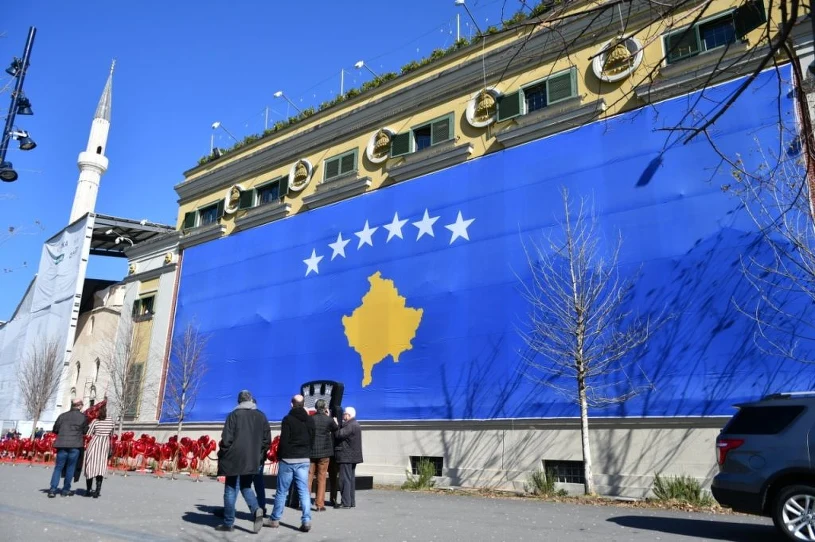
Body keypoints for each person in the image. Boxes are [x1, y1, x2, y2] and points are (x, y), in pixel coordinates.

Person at [215, 390, 270, 533]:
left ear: (239, 401)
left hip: (234, 458)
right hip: (252, 458)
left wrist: (223, 453)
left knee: (230, 489)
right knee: (246, 486)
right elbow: (267, 441)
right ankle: (256, 509)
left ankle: (228, 523)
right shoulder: (261, 416)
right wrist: (258, 455)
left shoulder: (233, 415)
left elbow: (226, 439)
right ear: (250, 400)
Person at [266, 394, 315, 532]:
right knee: (304, 491)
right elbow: (312, 439)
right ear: (303, 404)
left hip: (288, 459)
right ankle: (306, 520)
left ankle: (275, 519)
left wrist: (280, 456)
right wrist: (307, 453)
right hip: (304, 458)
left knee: (282, 491)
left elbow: (284, 441)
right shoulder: (310, 420)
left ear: (291, 404)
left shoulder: (288, 419)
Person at [48, 399, 89, 498]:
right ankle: (65, 490)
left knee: (58, 467)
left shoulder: (62, 416)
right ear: (79, 406)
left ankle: (53, 489)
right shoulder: (83, 417)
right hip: (75, 445)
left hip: (62, 444)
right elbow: (85, 431)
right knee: (71, 467)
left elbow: (55, 429)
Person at [307, 399, 338, 512]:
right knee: (322, 478)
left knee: (309, 477)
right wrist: (330, 417)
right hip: (324, 453)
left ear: (315, 407)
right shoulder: (328, 419)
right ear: (325, 408)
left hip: (311, 452)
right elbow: (335, 428)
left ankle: (305, 502)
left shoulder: (310, 419)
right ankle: (319, 504)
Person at [83, 404, 114, 498]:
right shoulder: (110, 421)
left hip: (94, 444)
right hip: (104, 445)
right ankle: (97, 490)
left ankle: (88, 490)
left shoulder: (95, 421)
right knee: (100, 467)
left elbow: (88, 434)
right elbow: (112, 434)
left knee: (90, 466)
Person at [334, 406, 363, 509]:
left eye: (344, 414)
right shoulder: (355, 424)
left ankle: (345, 502)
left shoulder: (350, 425)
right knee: (350, 479)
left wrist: (336, 425)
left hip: (346, 456)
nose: (343, 416)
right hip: (352, 456)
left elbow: (338, 434)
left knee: (344, 479)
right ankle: (351, 501)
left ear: (348, 415)